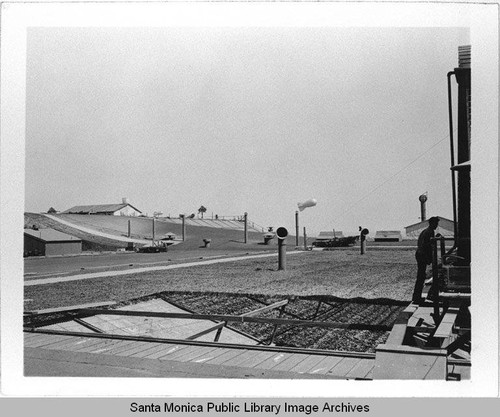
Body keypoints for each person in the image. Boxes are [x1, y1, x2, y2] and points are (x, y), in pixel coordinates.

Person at [412, 216, 440, 303]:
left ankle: (416, 297)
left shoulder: (427, 231)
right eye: (435, 223)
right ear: (432, 223)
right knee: (421, 276)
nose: (436, 225)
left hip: (420, 255)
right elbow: (426, 246)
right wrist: (430, 259)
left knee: (421, 276)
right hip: (422, 255)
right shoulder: (429, 232)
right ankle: (416, 298)